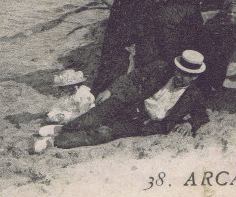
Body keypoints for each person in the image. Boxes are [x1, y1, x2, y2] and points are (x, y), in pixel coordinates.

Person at [40, 50, 209, 151]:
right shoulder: (161, 70)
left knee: (105, 132)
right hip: (130, 104)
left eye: (186, 76)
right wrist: (111, 90)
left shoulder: (194, 95)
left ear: (194, 78)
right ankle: (62, 129)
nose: (180, 77)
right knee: (93, 117)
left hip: (144, 123)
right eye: (179, 72)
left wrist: (189, 124)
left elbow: (202, 115)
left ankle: (54, 141)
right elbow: (132, 78)